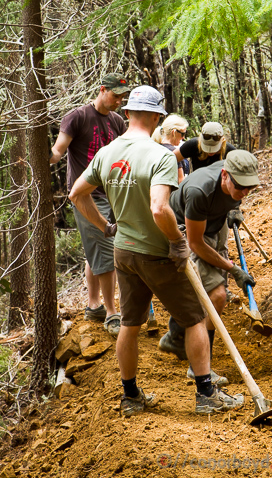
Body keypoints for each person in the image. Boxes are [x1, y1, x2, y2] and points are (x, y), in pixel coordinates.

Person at [69, 85, 244, 416]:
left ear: (129, 113)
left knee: (129, 324)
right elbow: (160, 209)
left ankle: (130, 396)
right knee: (194, 318)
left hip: (124, 252)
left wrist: (106, 227)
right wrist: (178, 242)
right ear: (155, 117)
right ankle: (206, 394)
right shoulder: (159, 155)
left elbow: (77, 194)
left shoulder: (107, 152)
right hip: (155, 253)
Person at [159, 150, 258, 386]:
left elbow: (235, 194)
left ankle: (175, 337)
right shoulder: (199, 191)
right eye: (241, 187)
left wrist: (234, 208)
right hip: (185, 230)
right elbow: (195, 243)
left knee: (213, 286)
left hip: (214, 221)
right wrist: (233, 269)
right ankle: (199, 367)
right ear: (225, 175)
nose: (245, 193)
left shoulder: (236, 171)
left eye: (250, 188)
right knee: (217, 295)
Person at [50, 73, 130, 335]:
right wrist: (44, 153)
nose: (119, 101)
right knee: (107, 250)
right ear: (102, 89)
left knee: (95, 250)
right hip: (86, 196)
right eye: (115, 95)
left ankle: (94, 305)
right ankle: (111, 312)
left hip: (113, 194)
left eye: (122, 96)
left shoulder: (117, 122)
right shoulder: (78, 117)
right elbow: (58, 151)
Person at [152, 114, 189, 183]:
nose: (183, 137)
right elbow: (180, 181)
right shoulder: (174, 153)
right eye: (182, 134)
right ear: (174, 132)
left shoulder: (155, 148)